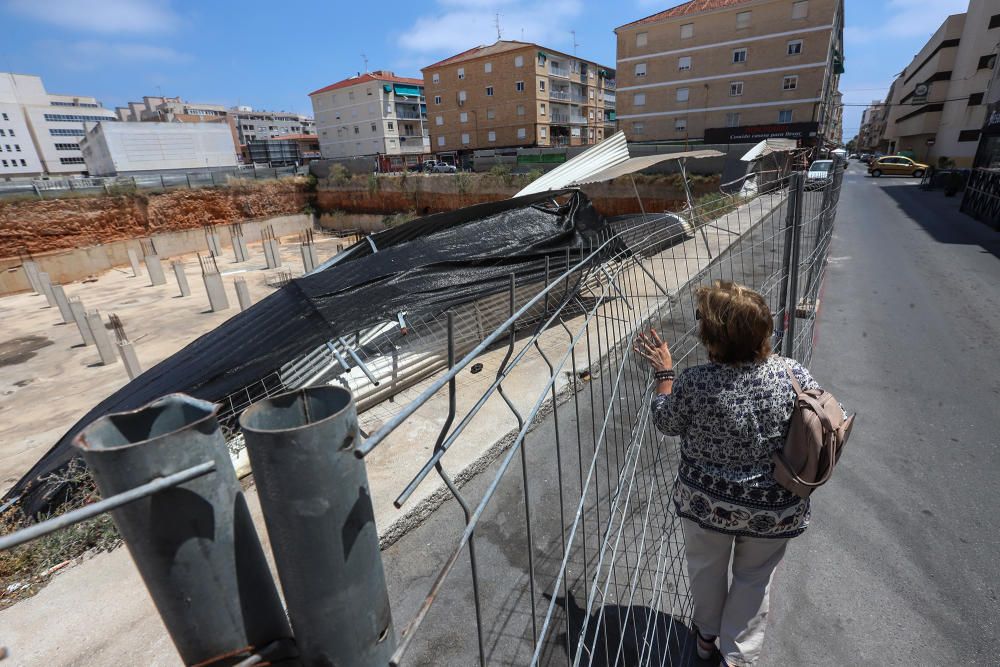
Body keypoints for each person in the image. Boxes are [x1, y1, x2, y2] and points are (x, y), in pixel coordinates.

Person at [634, 280, 838, 667]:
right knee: (754, 579)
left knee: (706, 569)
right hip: (773, 508)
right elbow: (828, 414)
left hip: (706, 505)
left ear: (711, 334)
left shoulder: (694, 382)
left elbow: (666, 421)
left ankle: (706, 638)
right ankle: (737, 657)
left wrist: (664, 376)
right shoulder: (792, 375)